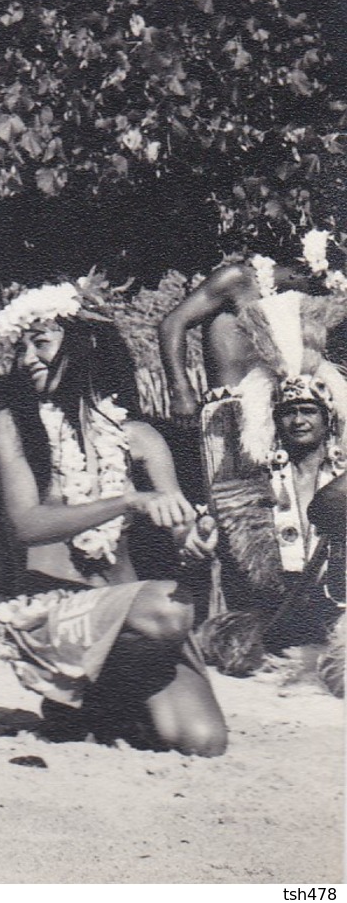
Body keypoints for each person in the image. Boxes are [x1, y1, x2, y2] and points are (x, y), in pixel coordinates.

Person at [0, 281, 227, 755]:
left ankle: (98, 705)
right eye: (21, 348)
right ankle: (88, 695)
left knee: (205, 741)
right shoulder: (15, 424)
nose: (27, 358)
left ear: (80, 347)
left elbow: (177, 522)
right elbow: (26, 526)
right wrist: (128, 501)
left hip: (130, 610)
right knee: (171, 611)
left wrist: (194, 535)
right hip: (57, 610)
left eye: (41, 343)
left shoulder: (139, 436)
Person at [160, 229, 347, 622]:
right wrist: (179, 388)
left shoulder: (328, 294)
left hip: (287, 413)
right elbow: (172, 322)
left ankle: (303, 608)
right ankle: (231, 616)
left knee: (287, 515)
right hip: (230, 417)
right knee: (232, 517)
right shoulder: (239, 280)